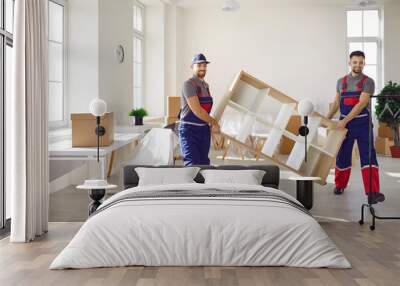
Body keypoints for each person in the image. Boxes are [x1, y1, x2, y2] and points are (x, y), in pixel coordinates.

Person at [327, 50, 385, 205]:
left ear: (364, 63)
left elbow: (360, 105)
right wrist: (326, 118)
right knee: (342, 155)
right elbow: (336, 103)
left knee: (368, 156)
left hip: (362, 124)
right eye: (355, 62)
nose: (358, 65)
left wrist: (344, 121)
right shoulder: (341, 81)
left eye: (361, 62)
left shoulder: (368, 81)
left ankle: (372, 192)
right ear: (349, 62)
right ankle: (339, 185)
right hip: (344, 125)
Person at [178, 53, 220, 166]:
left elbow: (206, 112)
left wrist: (211, 127)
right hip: (189, 130)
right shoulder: (188, 84)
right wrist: (214, 122)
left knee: (204, 164)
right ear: (192, 67)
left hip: (204, 130)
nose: (203, 68)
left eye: (205, 65)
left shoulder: (206, 85)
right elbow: (197, 110)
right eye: (199, 65)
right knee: (192, 165)